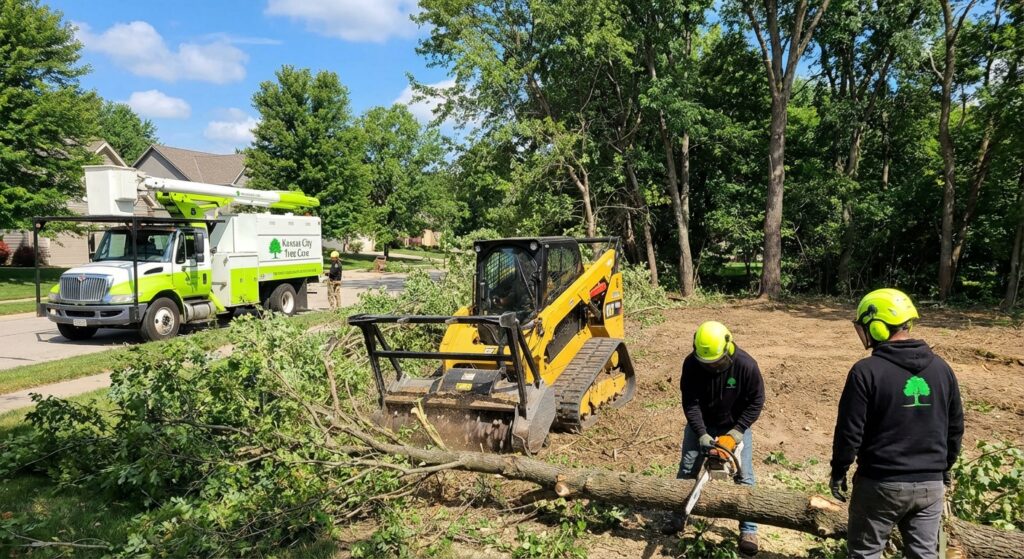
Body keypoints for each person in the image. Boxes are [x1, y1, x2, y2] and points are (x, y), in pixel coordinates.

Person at [830, 288, 964, 559]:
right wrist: (945, 467)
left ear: (877, 327)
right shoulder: (942, 369)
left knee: (865, 553)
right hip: (930, 486)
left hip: (881, 484)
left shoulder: (866, 371)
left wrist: (839, 470)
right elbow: (955, 427)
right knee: (924, 555)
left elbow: (850, 431)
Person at [664, 321, 765, 557]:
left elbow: (756, 402)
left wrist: (736, 433)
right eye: (706, 363)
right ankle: (679, 516)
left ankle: (749, 529)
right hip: (703, 424)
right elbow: (690, 402)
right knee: (687, 469)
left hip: (735, 424)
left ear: (728, 348)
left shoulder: (746, 366)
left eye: (716, 363)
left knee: (745, 477)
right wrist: (701, 434)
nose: (711, 368)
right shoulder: (691, 364)